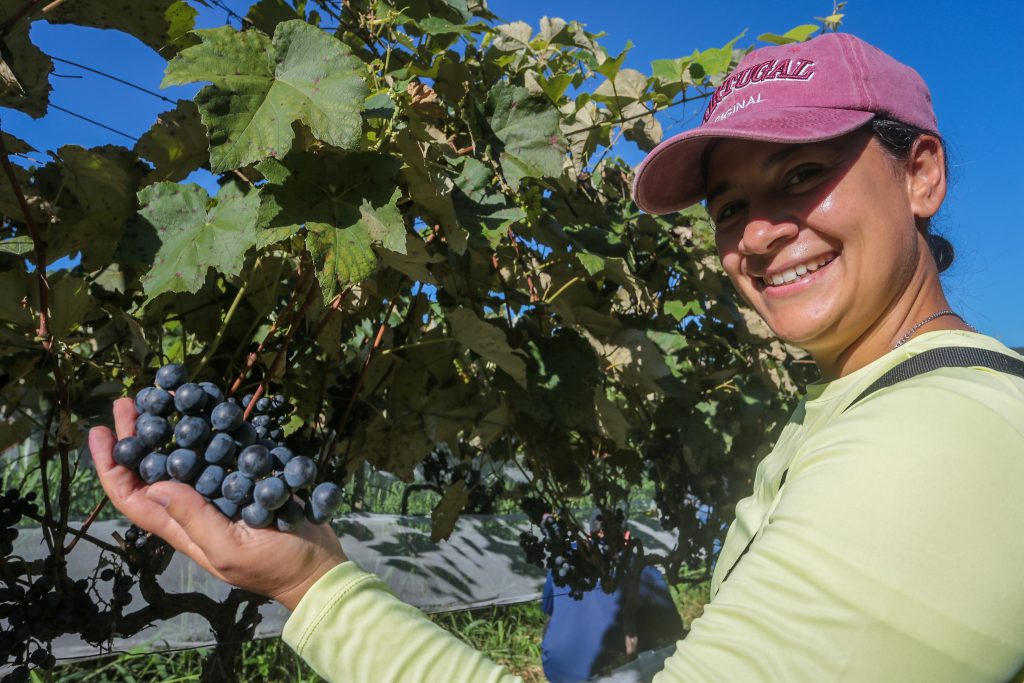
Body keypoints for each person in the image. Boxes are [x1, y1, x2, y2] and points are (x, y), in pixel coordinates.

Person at [89, 32, 1024, 682]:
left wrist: (312, 586)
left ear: (921, 174)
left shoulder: (939, 441)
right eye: (731, 205)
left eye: (804, 174)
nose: (761, 233)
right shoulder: (866, 404)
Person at [540, 513, 683, 682]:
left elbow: (547, 608)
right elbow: (673, 626)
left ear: (589, 534)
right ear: (627, 536)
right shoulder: (643, 569)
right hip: (620, 672)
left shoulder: (564, 563)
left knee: (550, 623)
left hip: (560, 672)